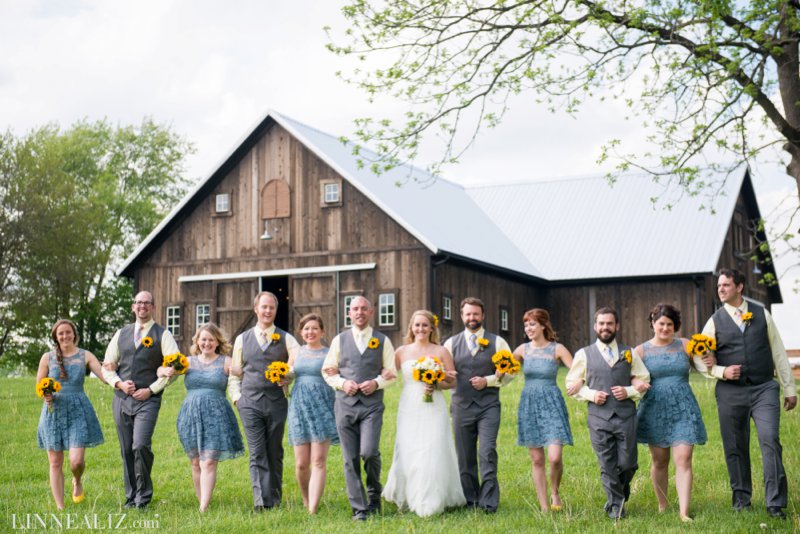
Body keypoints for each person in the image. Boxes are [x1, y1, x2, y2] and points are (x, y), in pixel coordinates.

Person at [701, 268, 797, 519]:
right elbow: (700, 358)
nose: (720, 289)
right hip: (730, 393)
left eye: (726, 285)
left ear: (740, 287)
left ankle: (775, 503)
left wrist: (789, 388)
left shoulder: (761, 313)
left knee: (770, 441)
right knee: (735, 446)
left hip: (764, 387)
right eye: (719, 286)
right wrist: (721, 371)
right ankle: (741, 499)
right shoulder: (714, 321)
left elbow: (778, 351)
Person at [565, 306, 650, 520]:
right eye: (601, 324)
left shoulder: (628, 352)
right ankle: (616, 507)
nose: (605, 327)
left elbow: (644, 380)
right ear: (595, 326)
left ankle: (618, 493)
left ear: (617, 326)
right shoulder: (583, 354)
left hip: (626, 416)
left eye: (609, 323)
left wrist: (628, 390)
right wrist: (592, 395)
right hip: (598, 417)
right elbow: (570, 384)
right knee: (607, 463)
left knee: (628, 463)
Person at [382, 310, 466, 516]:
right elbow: (388, 373)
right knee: (410, 447)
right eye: (417, 325)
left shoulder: (441, 351)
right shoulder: (401, 351)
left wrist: (437, 383)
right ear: (411, 327)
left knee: (433, 446)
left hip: (434, 404)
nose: (420, 329)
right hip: (410, 404)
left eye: (425, 325)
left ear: (431, 328)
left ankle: (431, 500)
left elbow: (452, 381)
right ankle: (410, 495)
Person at [102, 291, 179, 510]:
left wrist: (151, 389)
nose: (142, 306)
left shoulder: (163, 335)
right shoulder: (121, 334)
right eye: (138, 302)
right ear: (133, 307)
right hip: (121, 399)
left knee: (141, 445)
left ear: (153, 307)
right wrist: (119, 384)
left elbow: (175, 369)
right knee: (127, 449)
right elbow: (107, 366)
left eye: (146, 303)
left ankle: (143, 497)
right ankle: (131, 497)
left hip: (148, 400)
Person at [322, 296, 396, 521]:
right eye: (355, 309)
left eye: (364, 308)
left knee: (369, 452)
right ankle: (359, 508)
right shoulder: (339, 340)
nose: (359, 312)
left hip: (372, 406)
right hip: (344, 405)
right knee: (349, 457)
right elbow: (327, 370)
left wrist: (376, 383)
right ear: (349, 313)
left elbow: (392, 373)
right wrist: (343, 383)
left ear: (371, 312)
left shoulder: (383, 340)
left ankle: (374, 491)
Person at [634, 303, 710, 522]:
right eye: (661, 324)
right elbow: (631, 374)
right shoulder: (641, 350)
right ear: (653, 324)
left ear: (675, 325)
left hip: (683, 406)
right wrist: (635, 380)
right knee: (660, 460)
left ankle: (684, 512)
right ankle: (663, 504)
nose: (665, 328)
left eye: (669, 324)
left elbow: (704, 365)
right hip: (654, 408)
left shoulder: (685, 345)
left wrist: (709, 357)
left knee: (684, 458)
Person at [227, 291, 300, 512]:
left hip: (277, 402)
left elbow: (297, 363)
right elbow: (234, 373)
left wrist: (289, 375)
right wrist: (237, 398)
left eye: (271, 307)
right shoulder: (242, 338)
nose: (267, 311)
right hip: (249, 402)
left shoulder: (286, 338)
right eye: (264, 307)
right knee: (257, 451)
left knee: (274, 450)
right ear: (256, 309)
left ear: (276, 311)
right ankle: (261, 501)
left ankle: (274, 497)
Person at [443, 297, 513, 514]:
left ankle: (489, 501)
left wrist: (489, 380)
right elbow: (446, 375)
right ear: (462, 316)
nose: (472, 318)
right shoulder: (450, 344)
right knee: (465, 455)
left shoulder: (498, 342)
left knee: (487, 451)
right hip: (461, 405)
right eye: (468, 314)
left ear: (483, 316)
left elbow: (510, 372)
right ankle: (470, 498)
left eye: (476, 314)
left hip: (488, 406)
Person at [173, 323, 244, 512]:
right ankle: (201, 500)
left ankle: (203, 507)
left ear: (217, 342)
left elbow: (244, 372)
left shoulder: (225, 361)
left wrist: (241, 371)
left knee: (209, 461)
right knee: (196, 462)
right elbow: (166, 375)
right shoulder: (186, 361)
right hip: (190, 415)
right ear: (197, 341)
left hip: (216, 414)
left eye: (211, 340)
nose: (207, 343)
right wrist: (162, 371)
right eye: (203, 339)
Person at [36, 319, 105, 510]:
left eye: (68, 332)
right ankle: (60, 507)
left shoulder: (85, 355)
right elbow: (39, 385)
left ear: (74, 334)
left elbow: (104, 377)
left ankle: (77, 479)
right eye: (61, 334)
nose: (65, 336)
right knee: (55, 461)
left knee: (76, 461)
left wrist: (114, 371)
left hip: (78, 409)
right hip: (53, 412)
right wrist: (46, 395)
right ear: (56, 338)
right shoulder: (47, 358)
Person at [512, 308, 574, 513]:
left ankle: (555, 491)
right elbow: (504, 371)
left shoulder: (558, 349)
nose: (528, 328)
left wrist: (578, 384)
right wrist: (497, 371)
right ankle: (544, 506)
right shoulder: (522, 350)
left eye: (532, 324)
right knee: (537, 459)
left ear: (543, 325)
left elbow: (576, 370)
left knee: (555, 456)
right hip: (529, 403)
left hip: (552, 402)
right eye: (526, 325)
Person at [286, 313, 338, 514]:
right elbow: (289, 374)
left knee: (318, 460)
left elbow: (336, 376)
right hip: (299, 407)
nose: (310, 332)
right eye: (306, 328)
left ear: (322, 331)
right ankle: (306, 499)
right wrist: (284, 380)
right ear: (301, 332)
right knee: (301, 463)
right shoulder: (296, 353)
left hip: (322, 406)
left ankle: (313, 509)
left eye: (315, 328)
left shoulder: (330, 353)